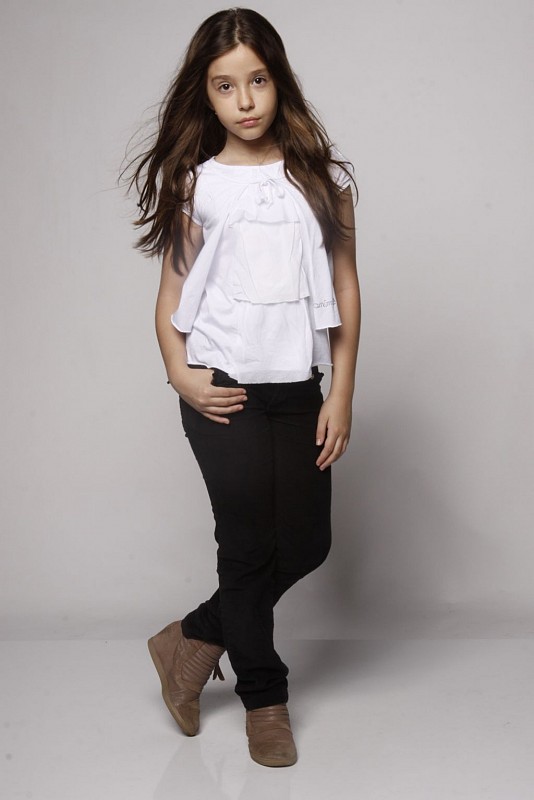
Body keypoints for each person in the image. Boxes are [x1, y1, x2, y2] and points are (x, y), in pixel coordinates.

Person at [123, 7, 361, 768]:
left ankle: (191, 638)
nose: (246, 100)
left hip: (298, 387)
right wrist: (180, 375)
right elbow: (171, 297)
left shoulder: (322, 181)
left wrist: (341, 391)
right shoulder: (196, 185)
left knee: (308, 543)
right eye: (226, 86)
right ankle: (265, 698)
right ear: (206, 94)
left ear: (278, 80)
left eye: (257, 80)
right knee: (249, 546)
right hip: (221, 388)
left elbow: (346, 289)